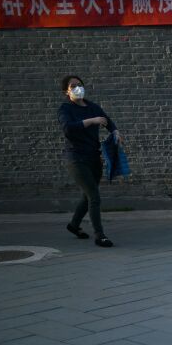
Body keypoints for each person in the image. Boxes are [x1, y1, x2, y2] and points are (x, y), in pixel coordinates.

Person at [57, 75, 123, 247]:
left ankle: (73, 225)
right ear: (66, 91)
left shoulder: (92, 107)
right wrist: (91, 121)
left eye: (80, 85)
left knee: (88, 196)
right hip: (76, 158)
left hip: (93, 157)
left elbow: (108, 121)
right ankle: (100, 235)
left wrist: (115, 131)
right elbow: (68, 129)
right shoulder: (65, 109)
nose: (78, 88)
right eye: (73, 86)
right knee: (94, 196)